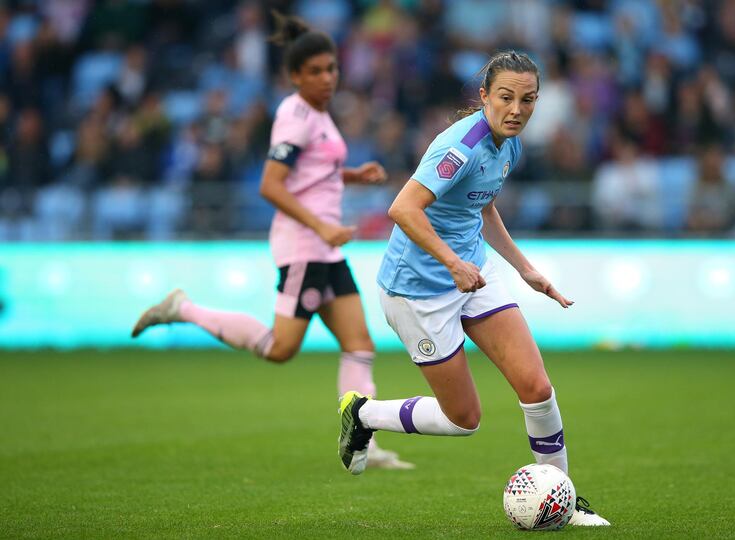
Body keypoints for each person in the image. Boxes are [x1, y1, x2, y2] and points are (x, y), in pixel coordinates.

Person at [337, 51, 609, 526]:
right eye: (506, 97)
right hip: (417, 290)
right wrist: (452, 263)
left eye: (528, 100)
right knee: (463, 420)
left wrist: (524, 269)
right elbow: (402, 209)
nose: (517, 109)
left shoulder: (511, 144)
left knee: (537, 386)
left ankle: (563, 504)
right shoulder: (460, 146)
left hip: (474, 273)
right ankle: (363, 415)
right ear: (484, 97)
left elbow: (481, 209)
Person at [132, 12, 411, 470]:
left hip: (325, 248)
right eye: (316, 71)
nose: (328, 78)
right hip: (305, 247)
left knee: (359, 343)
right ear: (295, 76)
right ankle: (183, 308)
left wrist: (351, 176)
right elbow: (272, 185)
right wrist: (320, 226)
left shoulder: (318, 115)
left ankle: (364, 443)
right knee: (281, 349)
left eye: (332, 69)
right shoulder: (294, 116)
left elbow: (311, 171)